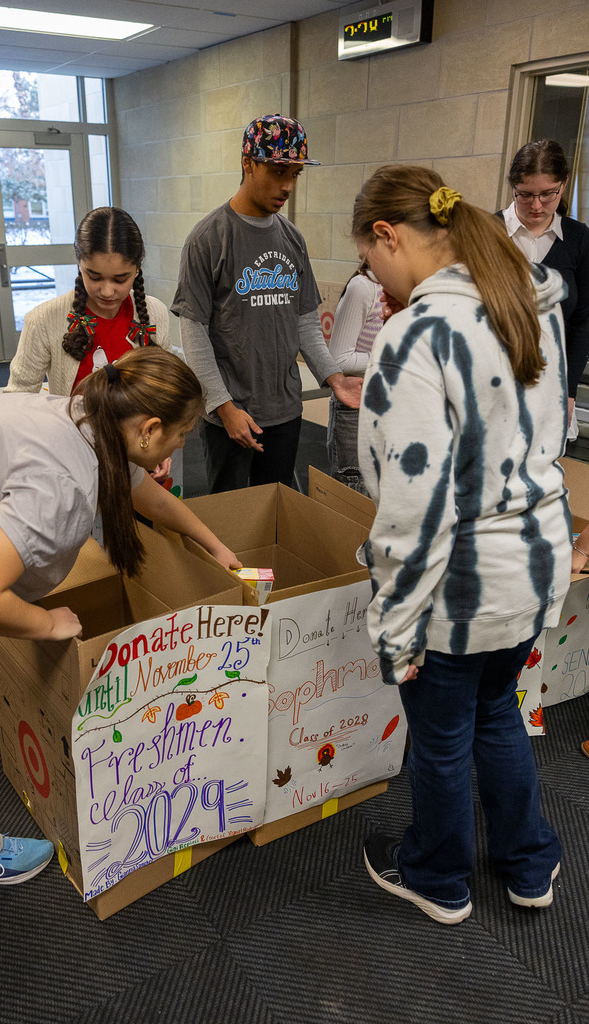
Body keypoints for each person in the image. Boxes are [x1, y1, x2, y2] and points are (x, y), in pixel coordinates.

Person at [0, 346, 239, 906]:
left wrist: (212, 542)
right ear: (150, 428)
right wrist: (45, 622)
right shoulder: (63, 484)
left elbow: (143, 490)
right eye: (181, 435)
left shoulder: (90, 419)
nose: (182, 447)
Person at [352, 165, 572, 925]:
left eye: (367, 259)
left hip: (459, 582)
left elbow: (412, 503)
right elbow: (555, 433)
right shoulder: (528, 303)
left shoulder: (415, 335)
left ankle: (438, 879)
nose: (371, 278)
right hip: (533, 567)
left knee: (441, 738)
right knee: (497, 714)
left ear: (387, 236)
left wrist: (393, 622)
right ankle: (527, 865)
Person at [171, 113, 361, 493]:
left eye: (295, 175)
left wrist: (334, 377)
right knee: (234, 518)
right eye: (278, 171)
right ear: (248, 163)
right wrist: (224, 407)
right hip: (231, 414)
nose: (288, 185)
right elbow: (194, 332)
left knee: (277, 514)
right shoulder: (208, 239)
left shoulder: (292, 239)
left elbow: (305, 322)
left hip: (285, 411)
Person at [5, 207, 173, 478]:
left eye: (121, 279)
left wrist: (160, 446)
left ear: (137, 270)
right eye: (93, 276)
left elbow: (162, 391)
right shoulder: (44, 320)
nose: (107, 291)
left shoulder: (154, 313)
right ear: (79, 264)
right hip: (71, 457)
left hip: (136, 456)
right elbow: (17, 401)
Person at [498, 139, 589, 436]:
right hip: (491, 382)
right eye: (525, 195)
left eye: (548, 194)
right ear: (512, 187)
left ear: (562, 186)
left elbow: (582, 322)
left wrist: (569, 389)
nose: (536, 205)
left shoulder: (578, 239)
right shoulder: (488, 233)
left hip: (553, 385)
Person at [326, 270, 383, 493]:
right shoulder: (363, 287)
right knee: (354, 492)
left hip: (391, 403)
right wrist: (391, 357)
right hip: (357, 405)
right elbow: (339, 359)